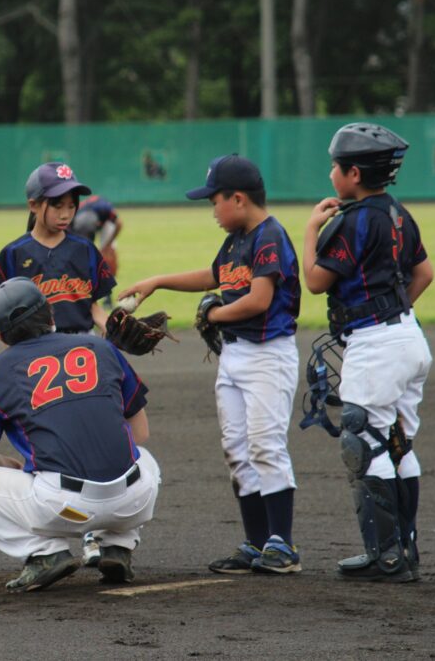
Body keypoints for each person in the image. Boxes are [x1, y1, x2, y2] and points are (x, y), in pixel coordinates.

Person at [119, 154, 302, 575]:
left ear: (238, 199)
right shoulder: (237, 239)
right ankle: (256, 543)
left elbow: (259, 299)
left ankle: (282, 545)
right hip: (235, 355)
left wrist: (213, 314)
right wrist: (158, 281)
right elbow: (215, 276)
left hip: (267, 355)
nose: (212, 209)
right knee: (237, 450)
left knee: (265, 446)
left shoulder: (269, 236)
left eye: (214, 200)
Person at [0, 277, 161, 593]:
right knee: (144, 459)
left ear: (0, 335)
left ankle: (45, 553)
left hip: (63, 509)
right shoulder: (102, 348)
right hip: (134, 501)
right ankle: (118, 545)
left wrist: (11, 465)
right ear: (51, 314)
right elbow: (140, 432)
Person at [302, 123, 432, 583]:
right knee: (397, 442)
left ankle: (387, 559)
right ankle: (405, 550)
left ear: (353, 173)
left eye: (335, 166)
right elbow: (424, 274)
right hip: (409, 337)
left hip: (377, 345)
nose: (331, 173)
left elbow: (315, 280)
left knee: (363, 442)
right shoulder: (399, 213)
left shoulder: (352, 221)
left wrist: (311, 228)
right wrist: (392, 313)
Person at [0, 162, 117, 566]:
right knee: (51, 442)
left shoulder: (84, 250)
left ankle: (95, 534)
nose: (66, 212)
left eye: (71, 205)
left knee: (91, 439)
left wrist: (113, 330)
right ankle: (53, 528)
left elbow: (95, 306)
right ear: (34, 205)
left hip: (80, 352)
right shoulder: (14, 254)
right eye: (57, 204)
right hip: (35, 357)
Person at [71, 195, 123, 308]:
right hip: (84, 223)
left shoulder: (105, 209)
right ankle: (80, 293)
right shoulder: (73, 216)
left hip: (106, 223)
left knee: (108, 255)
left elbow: (119, 224)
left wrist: (108, 245)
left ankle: (108, 297)